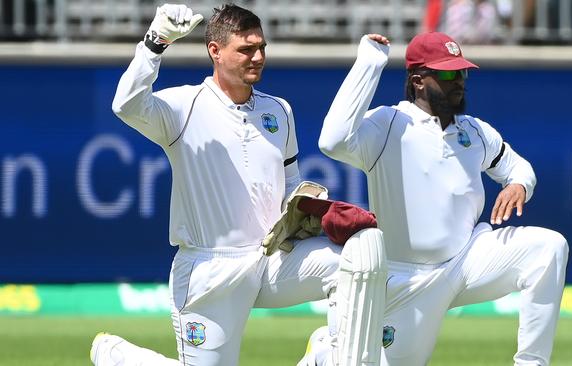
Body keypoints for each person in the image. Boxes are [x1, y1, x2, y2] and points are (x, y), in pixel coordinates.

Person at [90, 3, 386, 366]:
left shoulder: (278, 110)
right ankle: (117, 356)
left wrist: (305, 206)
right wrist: (155, 43)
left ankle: (333, 355)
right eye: (246, 49)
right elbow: (127, 105)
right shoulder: (184, 106)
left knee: (357, 257)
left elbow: (289, 183)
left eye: (261, 47)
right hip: (209, 269)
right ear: (215, 51)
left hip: (270, 259)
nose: (258, 56)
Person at [308, 31, 569, 365]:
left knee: (549, 247)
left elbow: (519, 167)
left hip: (467, 259)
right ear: (418, 81)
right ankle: (323, 352)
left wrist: (518, 184)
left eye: (461, 72)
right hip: (407, 277)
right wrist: (370, 61)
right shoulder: (388, 123)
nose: (458, 80)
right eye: (447, 73)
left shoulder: (474, 131)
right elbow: (333, 141)